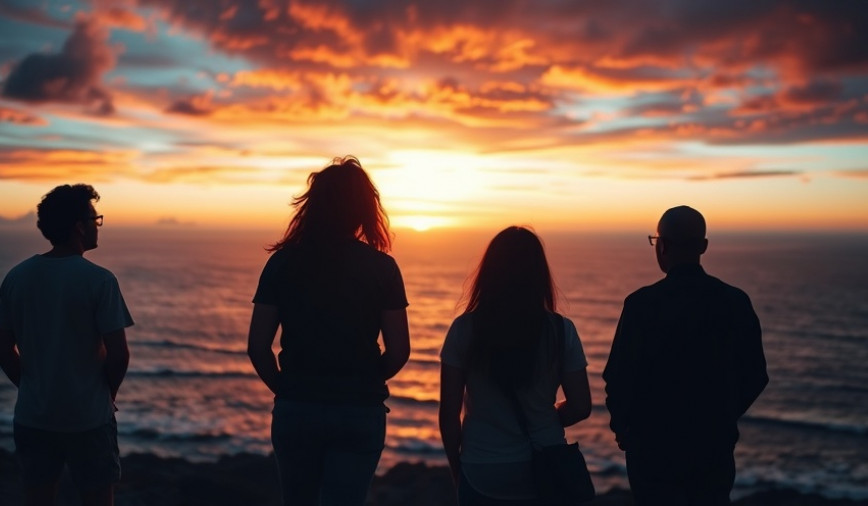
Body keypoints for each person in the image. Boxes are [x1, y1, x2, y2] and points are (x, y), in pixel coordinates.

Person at [247, 156, 410, 506]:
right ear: (364, 209)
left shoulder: (282, 263)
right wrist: (365, 380)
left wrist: (287, 386)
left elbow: (258, 347)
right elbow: (399, 351)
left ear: (313, 205)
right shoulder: (382, 268)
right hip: (358, 409)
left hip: (298, 407)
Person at [603, 205, 769, 506]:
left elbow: (618, 377)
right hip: (713, 450)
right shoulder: (735, 302)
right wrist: (721, 415)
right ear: (703, 246)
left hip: (652, 453)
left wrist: (624, 429)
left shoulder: (642, 305)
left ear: (662, 245)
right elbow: (756, 374)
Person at [0, 184, 133, 506]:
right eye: (95, 219)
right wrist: (108, 393)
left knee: (38, 498)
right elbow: (119, 353)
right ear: (79, 227)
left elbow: (0, 348)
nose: (98, 226)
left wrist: (30, 385)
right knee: (97, 498)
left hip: (33, 415)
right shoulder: (100, 280)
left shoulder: (17, 276)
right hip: (89, 418)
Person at [439, 226, 592, 505]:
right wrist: (549, 416)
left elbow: (449, 416)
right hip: (542, 462)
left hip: (482, 467)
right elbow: (581, 406)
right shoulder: (560, 330)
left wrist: (457, 473)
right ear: (538, 274)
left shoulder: (464, 329)